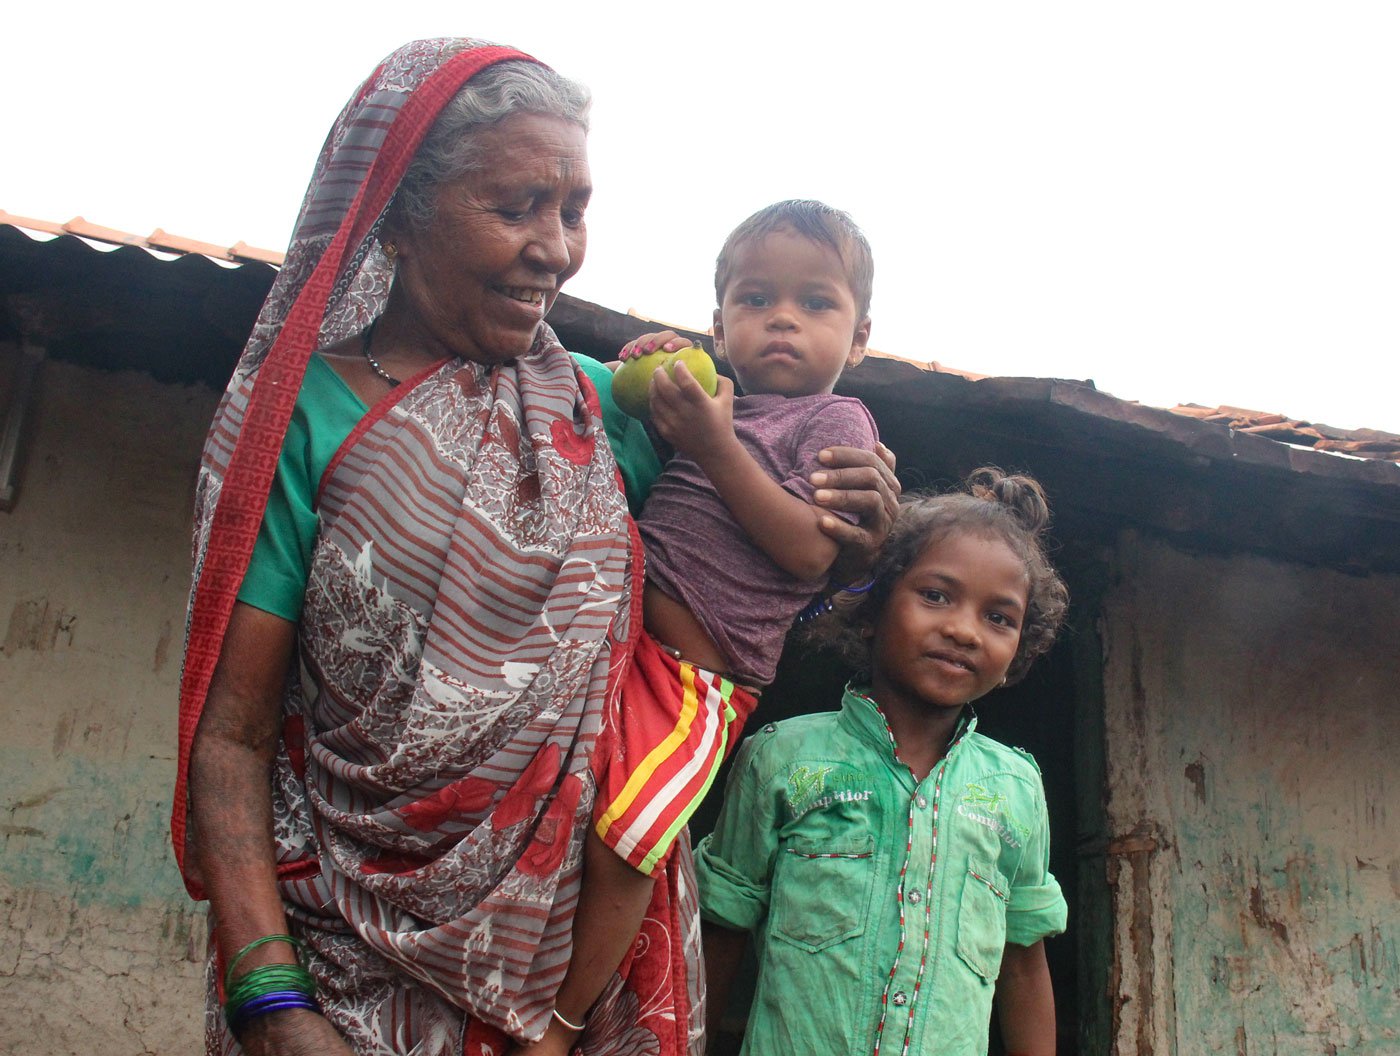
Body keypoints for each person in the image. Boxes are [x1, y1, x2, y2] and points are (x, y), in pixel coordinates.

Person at [173, 39, 899, 1056]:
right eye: (515, 207)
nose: (556, 249)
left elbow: (765, 564)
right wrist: (268, 997)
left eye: (575, 210)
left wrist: (863, 533)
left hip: (571, 991)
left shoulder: (608, 409)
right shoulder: (300, 422)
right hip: (336, 978)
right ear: (398, 211)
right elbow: (233, 735)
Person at [695, 468, 1071, 1056]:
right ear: (872, 607)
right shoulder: (783, 759)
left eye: (998, 617)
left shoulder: (1015, 789)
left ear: (1019, 647)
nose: (963, 630)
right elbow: (719, 935)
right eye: (936, 595)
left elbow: (1023, 967)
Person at [594, 202, 878, 872]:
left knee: (629, 840)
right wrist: (652, 366)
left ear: (860, 338)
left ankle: (573, 987)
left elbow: (812, 550)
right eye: (755, 299)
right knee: (572, 811)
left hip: (697, 681)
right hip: (618, 645)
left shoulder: (837, 421)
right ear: (720, 327)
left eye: (815, 302)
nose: (783, 318)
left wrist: (714, 444)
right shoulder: (713, 398)